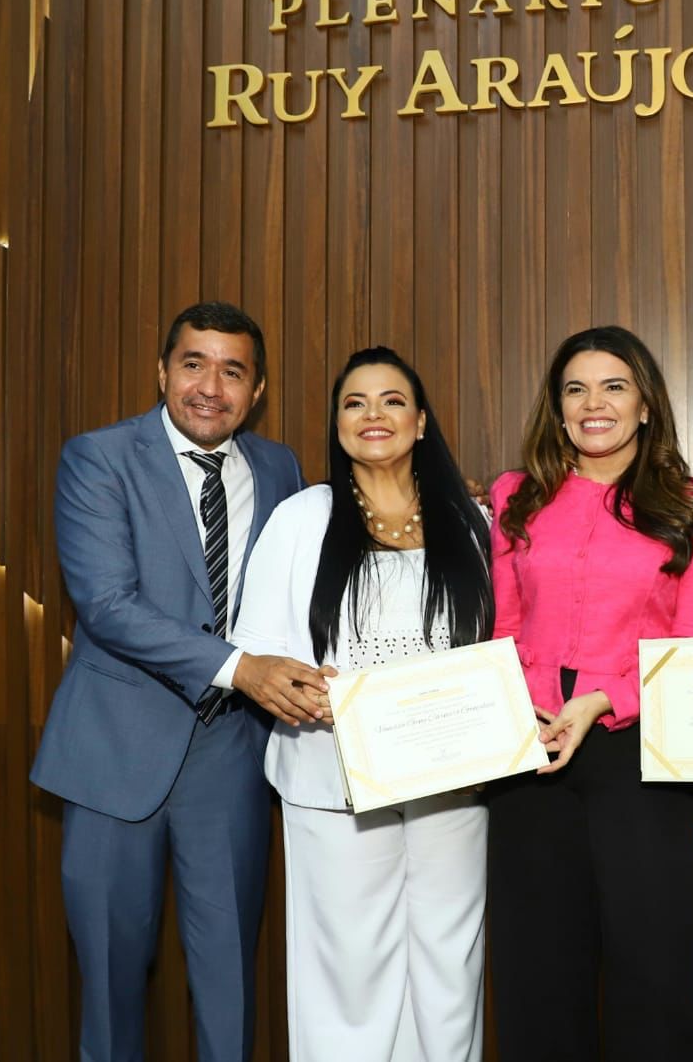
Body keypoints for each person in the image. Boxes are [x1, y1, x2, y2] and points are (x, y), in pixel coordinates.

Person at [30, 301, 329, 1062]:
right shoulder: (98, 458)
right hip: (115, 751)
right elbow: (106, 605)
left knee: (229, 977)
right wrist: (244, 669)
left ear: (256, 390)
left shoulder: (280, 467)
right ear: (162, 371)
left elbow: (295, 596)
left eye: (233, 371)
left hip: (230, 755)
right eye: (193, 363)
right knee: (108, 974)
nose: (210, 386)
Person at [234, 347, 494, 1062]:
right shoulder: (302, 517)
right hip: (331, 776)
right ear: (337, 422)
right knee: (348, 970)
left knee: (449, 959)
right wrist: (295, 685)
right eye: (354, 402)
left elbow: (508, 638)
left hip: (453, 779)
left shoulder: (472, 520)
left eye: (390, 401)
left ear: (421, 422)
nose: (372, 415)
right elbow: (256, 650)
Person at [485, 325, 693, 1062]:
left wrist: (603, 700)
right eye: (575, 389)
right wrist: (528, 702)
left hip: (637, 745)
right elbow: (504, 624)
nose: (595, 403)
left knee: (653, 970)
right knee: (537, 973)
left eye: (614, 386)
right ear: (557, 410)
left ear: (646, 404)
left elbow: (689, 645)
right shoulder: (514, 497)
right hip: (529, 746)